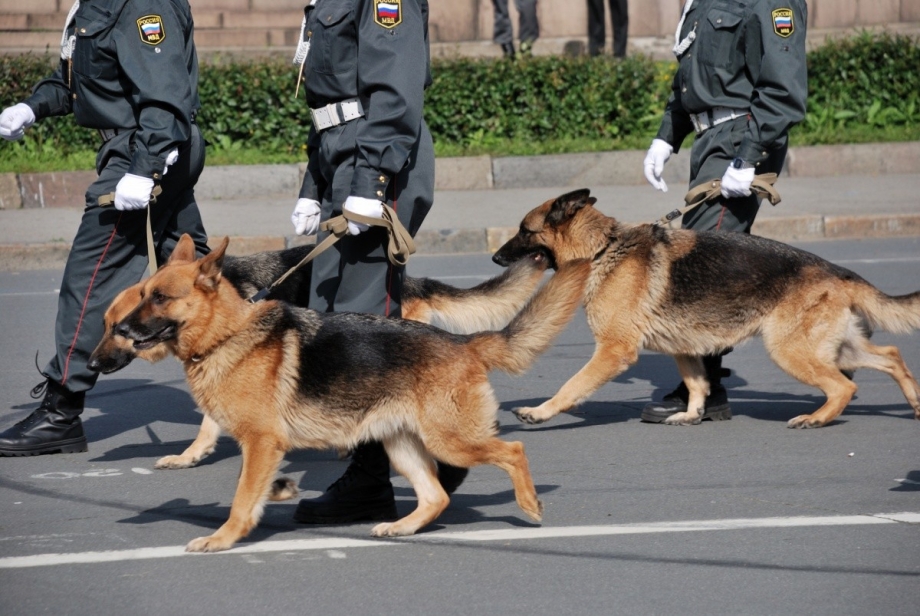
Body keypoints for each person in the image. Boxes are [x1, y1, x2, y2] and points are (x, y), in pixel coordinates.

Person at [0, 0, 210, 456]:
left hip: (146, 152)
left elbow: (164, 91)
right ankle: (286, 371)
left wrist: (147, 165)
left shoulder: (141, 4)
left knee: (89, 276)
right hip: (138, 149)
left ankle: (61, 410)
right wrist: (32, 106)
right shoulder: (94, 5)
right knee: (202, 276)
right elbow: (80, 86)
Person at [288, 0, 467, 525]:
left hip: (376, 158)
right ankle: (438, 456)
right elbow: (331, 104)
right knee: (329, 316)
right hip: (340, 155)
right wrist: (312, 184)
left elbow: (393, 87)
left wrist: (373, 182)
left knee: (363, 321)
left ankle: (371, 480)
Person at [639, 0, 808, 423]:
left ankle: (706, 387)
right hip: (709, 138)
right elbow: (693, 77)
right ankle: (842, 341)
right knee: (707, 257)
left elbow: (784, 87)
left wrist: (750, 155)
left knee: (701, 263)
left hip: (741, 137)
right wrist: (668, 135)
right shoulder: (702, 2)